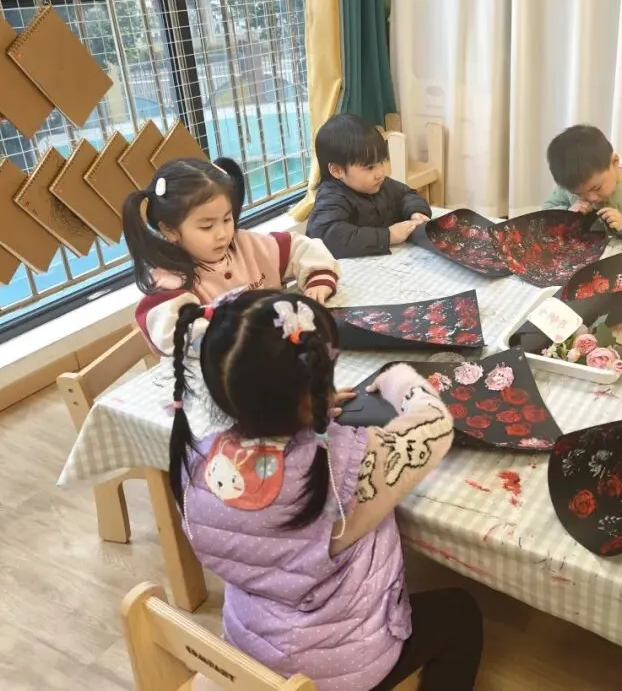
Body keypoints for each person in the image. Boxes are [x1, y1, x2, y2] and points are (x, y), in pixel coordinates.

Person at [168, 289, 484, 690]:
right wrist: (399, 380)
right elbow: (434, 427)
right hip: (339, 672)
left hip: (250, 649)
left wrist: (304, 413)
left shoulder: (195, 461)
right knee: (460, 612)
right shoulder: (342, 469)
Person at [122, 156, 340, 356]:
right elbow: (181, 335)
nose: (222, 234)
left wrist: (318, 279)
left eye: (227, 219)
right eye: (206, 226)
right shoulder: (169, 283)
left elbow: (301, 248)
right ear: (169, 230)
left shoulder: (246, 245)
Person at [305, 113, 432, 258]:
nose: (380, 173)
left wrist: (416, 212)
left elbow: (407, 195)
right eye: (370, 167)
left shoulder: (379, 184)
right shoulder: (331, 198)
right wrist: (388, 236)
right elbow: (327, 237)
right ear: (337, 170)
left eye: (381, 162)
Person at [542, 124, 622, 244]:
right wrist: (566, 214)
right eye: (579, 194)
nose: (591, 198)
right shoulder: (572, 184)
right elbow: (546, 212)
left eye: (597, 188)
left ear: (614, 162)